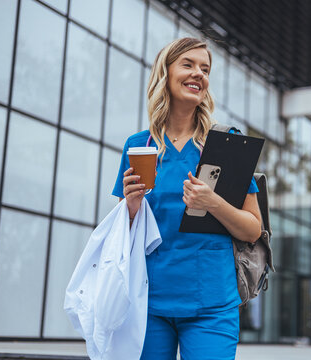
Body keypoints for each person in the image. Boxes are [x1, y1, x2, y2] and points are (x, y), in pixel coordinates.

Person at [112, 37, 262, 360]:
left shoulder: (226, 144)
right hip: (147, 303)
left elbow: (252, 230)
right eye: (189, 65)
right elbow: (122, 236)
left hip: (212, 306)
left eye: (205, 69)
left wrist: (213, 203)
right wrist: (132, 206)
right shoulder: (139, 147)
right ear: (165, 73)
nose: (199, 74)